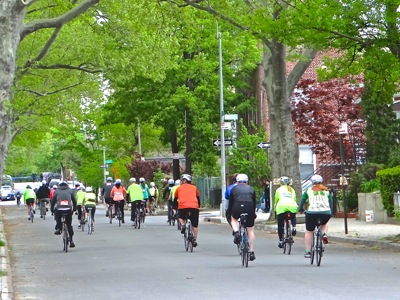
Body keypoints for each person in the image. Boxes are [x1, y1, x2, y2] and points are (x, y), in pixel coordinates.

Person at [299, 174, 333, 258]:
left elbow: (302, 201)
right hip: (326, 212)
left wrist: (300, 209)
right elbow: (331, 202)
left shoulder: (308, 190)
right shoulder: (326, 190)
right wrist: (331, 211)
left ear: (312, 182)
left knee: (309, 231)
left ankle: (308, 252)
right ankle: (324, 234)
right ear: (322, 182)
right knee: (324, 224)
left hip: (312, 212)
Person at [226, 173, 257, 261]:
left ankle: (236, 232)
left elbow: (231, 204)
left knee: (234, 219)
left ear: (237, 181)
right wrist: (253, 213)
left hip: (237, 206)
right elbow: (254, 202)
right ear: (247, 181)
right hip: (249, 207)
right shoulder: (251, 189)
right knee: (250, 230)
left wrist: (229, 213)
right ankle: (251, 252)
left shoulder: (234, 189)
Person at [174, 174, 200, 247]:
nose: (181, 181)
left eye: (182, 180)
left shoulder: (179, 188)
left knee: (180, 217)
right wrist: (198, 206)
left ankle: (183, 225)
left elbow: (175, 199)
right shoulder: (194, 188)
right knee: (195, 225)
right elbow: (198, 198)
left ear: (185, 180)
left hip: (183, 207)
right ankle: (194, 240)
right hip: (194, 207)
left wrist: (175, 206)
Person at [50, 181, 77, 248]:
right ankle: (71, 241)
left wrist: (52, 210)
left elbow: (53, 201)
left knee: (57, 217)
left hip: (59, 209)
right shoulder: (70, 191)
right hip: (68, 209)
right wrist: (74, 209)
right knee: (69, 225)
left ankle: (59, 228)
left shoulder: (56, 191)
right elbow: (74, 201)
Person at [274, 176, 298, 248]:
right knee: (292, 215)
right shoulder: (292, 190)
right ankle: (294, 227)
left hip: (281, 207)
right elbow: (294, 199)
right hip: (292, 206)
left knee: (280, 225)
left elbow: (276, 200)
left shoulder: (278, 190)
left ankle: (281, 240)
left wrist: (275, 209)